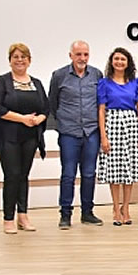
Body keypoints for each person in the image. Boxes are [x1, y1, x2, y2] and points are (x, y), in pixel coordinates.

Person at [0, 43, 49, 234]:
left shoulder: (36, 83)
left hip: (30, 136)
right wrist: (22, 119)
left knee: (23, 175)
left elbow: (45, 108)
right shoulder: (2, 82)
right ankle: (8, 218)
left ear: (29, 61)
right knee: (12, 175)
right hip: (8, 136)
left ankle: (23, 215)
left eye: (23, 57)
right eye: (16, 57)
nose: (20, 60)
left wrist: (38, 119)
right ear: (10, 61)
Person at [49, 40, 104, 229]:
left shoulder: (96, 74)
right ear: (70, 55)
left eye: (85, 54)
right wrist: (63, 124)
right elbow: (52, 104)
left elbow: (100, 103)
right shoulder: (59, 76)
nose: (82, 58)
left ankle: (87, 212)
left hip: (91, 132)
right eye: (78, 54)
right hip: (69, 133)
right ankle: (65, 214)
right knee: (68, 174)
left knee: (89, 173)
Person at [97, 47, 138, 226]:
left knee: (129, 168)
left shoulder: (135, 82)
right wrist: (103, 136)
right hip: (112, 123)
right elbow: (101, 110)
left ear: (128, 63)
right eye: (116, 59)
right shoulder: (104, 83)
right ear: (111, 62)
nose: (119, 62)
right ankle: (116, 209)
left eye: (123, 59)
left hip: (131, 124)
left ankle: (126, 208)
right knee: (114, 169)